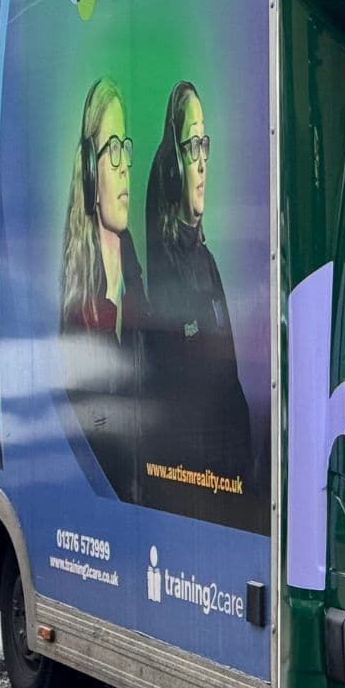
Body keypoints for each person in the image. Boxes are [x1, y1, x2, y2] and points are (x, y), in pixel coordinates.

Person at [143, 80, 261, 528]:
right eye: (192, 145)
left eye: (204, 145)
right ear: (173, 164)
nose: (203, 161)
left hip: (229, 466)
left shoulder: (206, 263)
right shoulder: (173, 267)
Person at [59, 78, 146, 499]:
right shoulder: (77, 298)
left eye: (125, 147)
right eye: (112, 150)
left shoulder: (136, 270)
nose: (124, 164)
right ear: (91, 168)